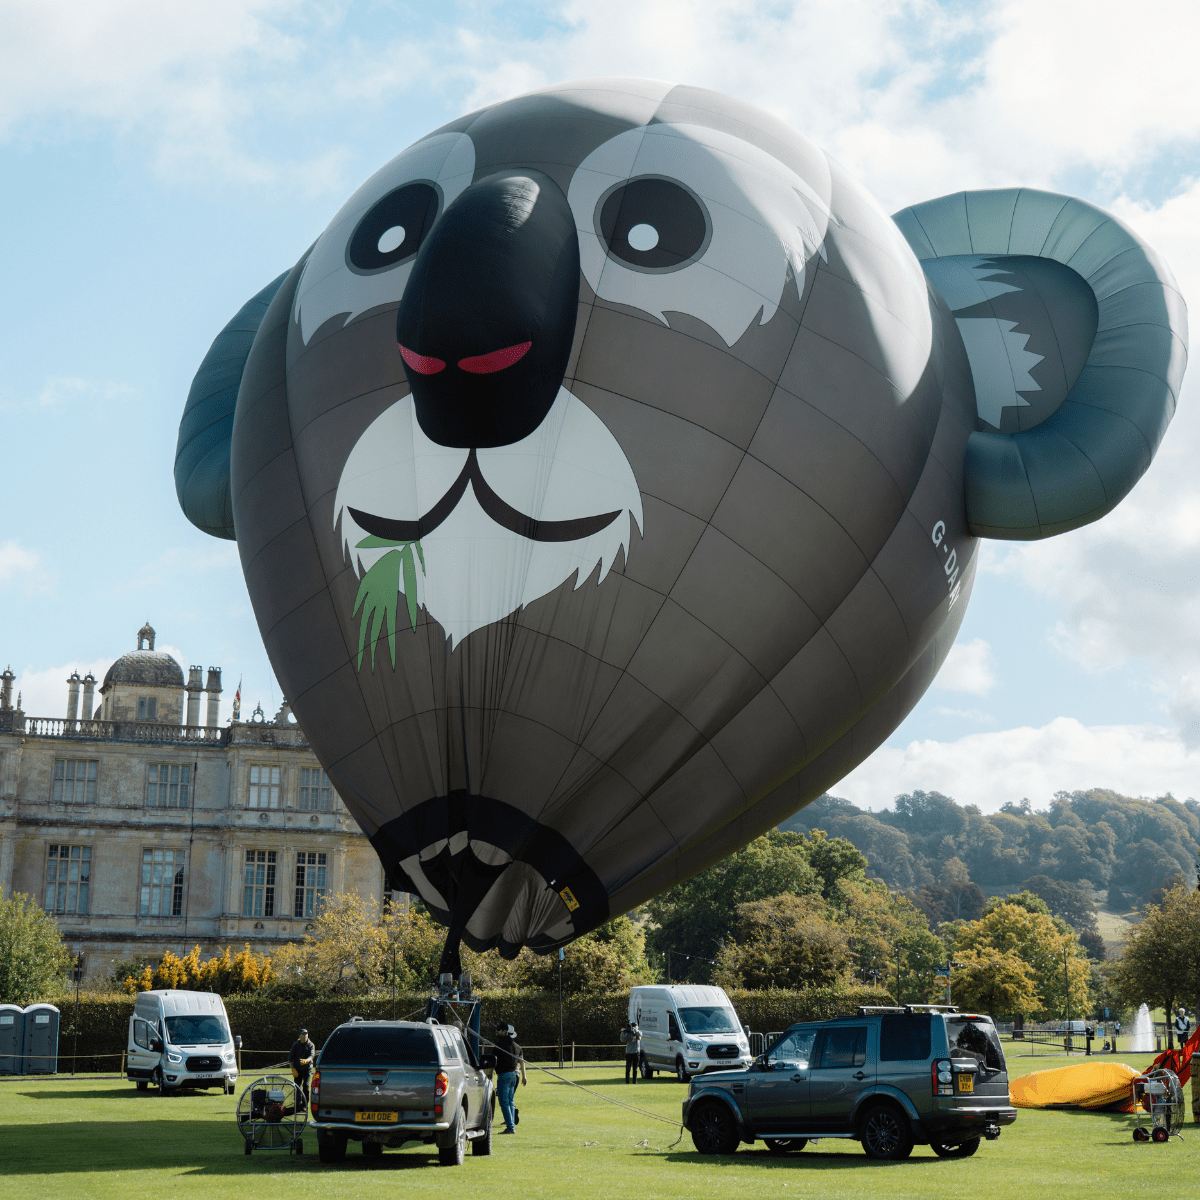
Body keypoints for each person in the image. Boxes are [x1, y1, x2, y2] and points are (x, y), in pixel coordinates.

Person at [493, 1021, 526, 1134]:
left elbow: (493, 1061)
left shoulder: (499, 1045)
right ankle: (511, 1125)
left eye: (498, 1029)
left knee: (504, 1102)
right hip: (514, 1075)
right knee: (510, 1101)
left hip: (504, 1075)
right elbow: (521, 1062)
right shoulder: (516, 1046)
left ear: (504, 1031)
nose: (496, 1031)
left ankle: (510, 1127)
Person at [289, 1028, 315, 1104]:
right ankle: (297, 1105)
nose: (304, 1036)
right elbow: (290, 1058)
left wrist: (306, 1060)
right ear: (299, 1036)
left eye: (306, 1034)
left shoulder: (311, 1045)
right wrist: (293, 1069)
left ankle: (304, 1105)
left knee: (306, 1086)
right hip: (297, 1069)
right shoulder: (295, 1045)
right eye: (303, 1034)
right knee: (297, 1086)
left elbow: (312, 1055)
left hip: (307, 1069)